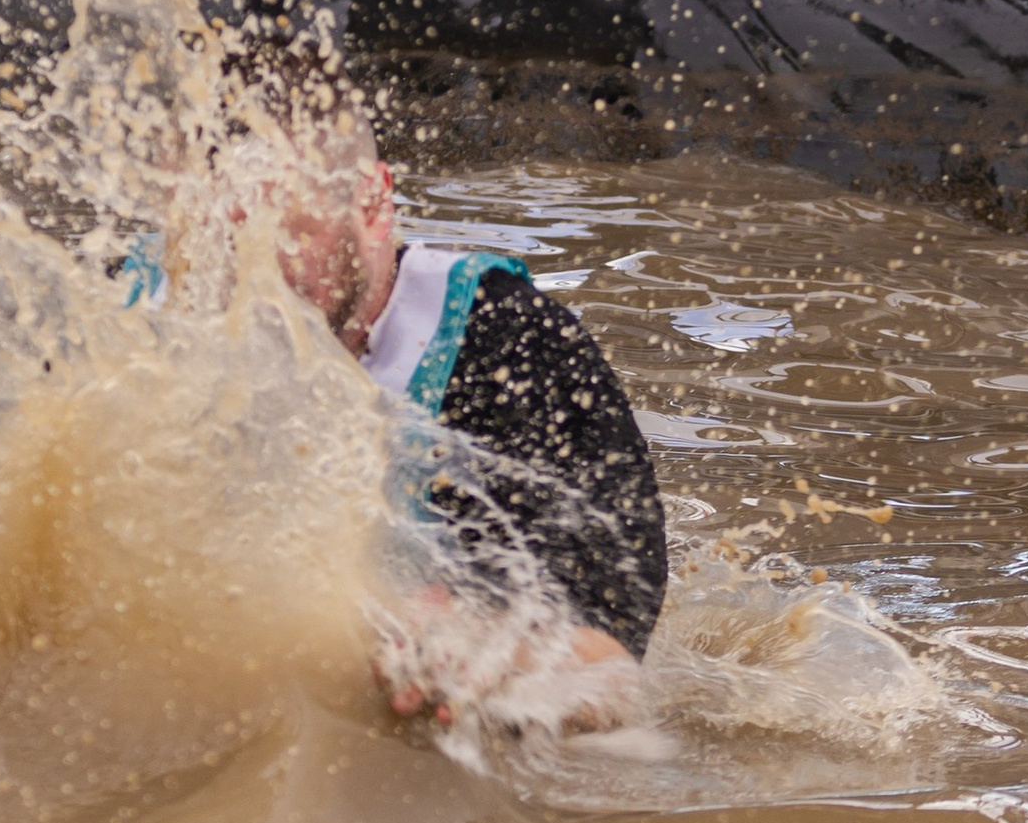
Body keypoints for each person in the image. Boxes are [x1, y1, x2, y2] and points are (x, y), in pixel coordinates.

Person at [190, 70, 669, 716]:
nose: (259, 272)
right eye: (229, 236)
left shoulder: (514, 352)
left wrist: (496, 651)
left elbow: (616, 672)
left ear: (375, 202)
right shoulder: (136, 314)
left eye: (293, 230)